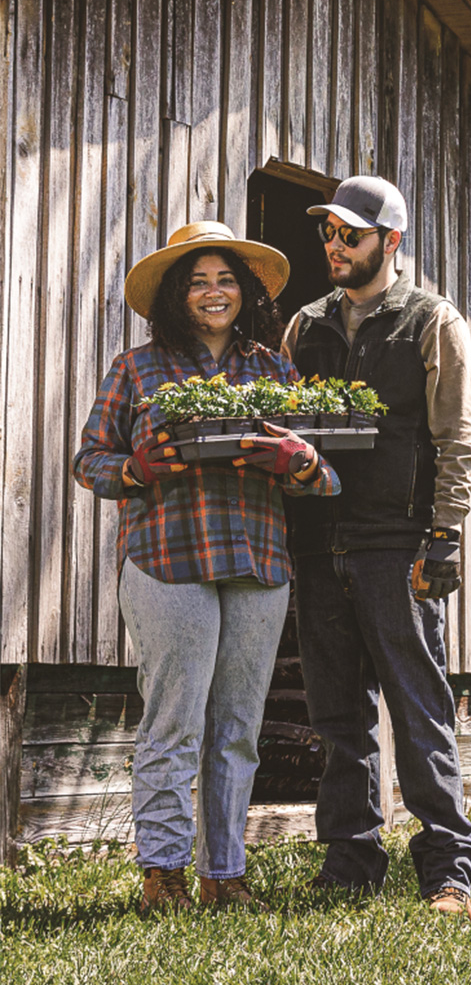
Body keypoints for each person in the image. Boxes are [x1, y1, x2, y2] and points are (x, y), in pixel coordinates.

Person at [73, 221, 340, 914]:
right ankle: (163, 875)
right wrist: (134, 470)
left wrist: (302, 462)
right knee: (175, 723)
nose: (214, 292)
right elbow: (89, 460)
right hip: (169, 561)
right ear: (174, 296)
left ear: (245, 291)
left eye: (225, 280)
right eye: (198, 281)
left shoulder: (273, 372)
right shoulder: (136, 369)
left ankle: (225, 874)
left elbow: (323, 475)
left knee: (237, 730)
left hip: (256, 562)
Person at [282, 175, 471, 917]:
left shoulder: (432, 322)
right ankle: (351, 859)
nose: (335, 246)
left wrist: (445, 536)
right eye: (329, 234)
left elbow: (459, 438)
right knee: (336, 712)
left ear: (389, 241)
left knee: (418, 704)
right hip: (317, 541)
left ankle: (446, 868)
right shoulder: (305, 326)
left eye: (350, 235)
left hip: (397, 544)